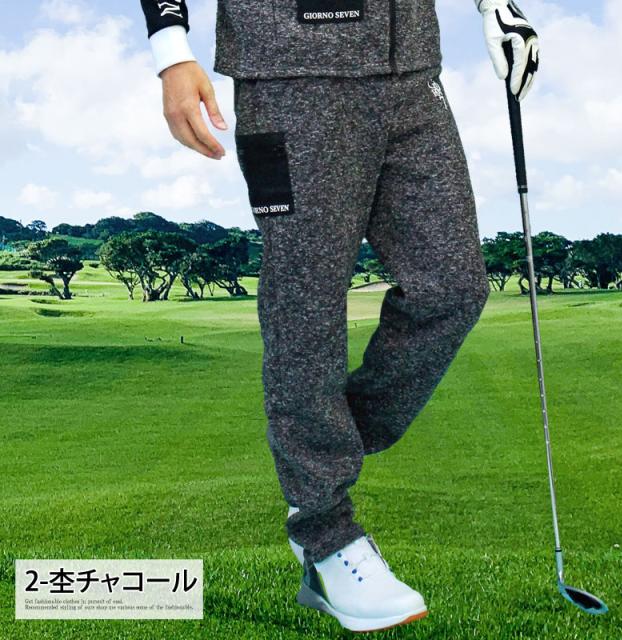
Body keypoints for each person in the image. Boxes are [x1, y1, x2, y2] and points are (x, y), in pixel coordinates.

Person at [140, 0, 539, 632]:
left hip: (409, 70)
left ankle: (320, 449)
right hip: (289, 75)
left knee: (453, 288)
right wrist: (171, 53)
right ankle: (324, 535)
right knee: (308, 310)